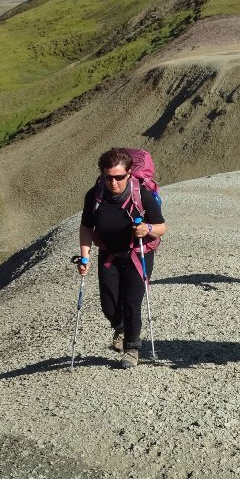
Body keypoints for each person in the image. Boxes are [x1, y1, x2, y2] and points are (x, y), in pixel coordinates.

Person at [77, 149, 167, 368]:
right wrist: (84, 257)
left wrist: (147, 228)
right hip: (109, 254)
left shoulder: (142, 194)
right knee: (109, 305)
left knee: (131, 302)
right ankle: (120, 328)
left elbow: (161, 228)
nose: (114, 182)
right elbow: (87, 227)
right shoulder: (95, 195)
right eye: (109, 177)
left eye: (119, 177)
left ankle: (132, 349)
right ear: (102, 174)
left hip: (138, 254)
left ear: (129, 174)